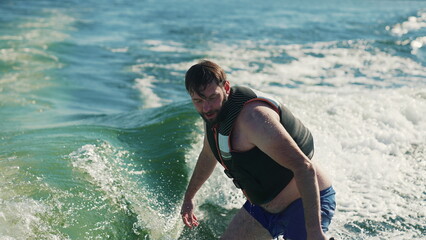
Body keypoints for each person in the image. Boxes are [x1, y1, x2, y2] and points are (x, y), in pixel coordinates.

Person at [180, 60, 336, 240]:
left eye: (212, 97)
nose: (205, 108)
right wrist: (189, 198)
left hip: (303, 203)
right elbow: (208, 155)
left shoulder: (254, 120)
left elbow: (304, 167)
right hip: (263, 210)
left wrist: (314, 232)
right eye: (198, 101)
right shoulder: (214, 116)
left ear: (226, 88)